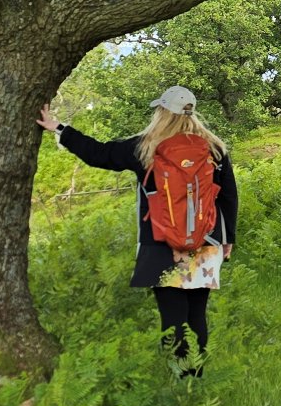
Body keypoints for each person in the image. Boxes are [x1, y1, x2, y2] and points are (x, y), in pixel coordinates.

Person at [37, 85, 237, 375]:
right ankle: (197, 377)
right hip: (206, 241)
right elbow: (228, 196)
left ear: (162, 112)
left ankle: (180, 379)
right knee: (196, 314)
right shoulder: (215, 149)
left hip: (161, 244)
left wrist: (60, 129)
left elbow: (99, 154)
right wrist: (228, 237)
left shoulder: (145, 147)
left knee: (172, 316)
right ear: (191, 113)